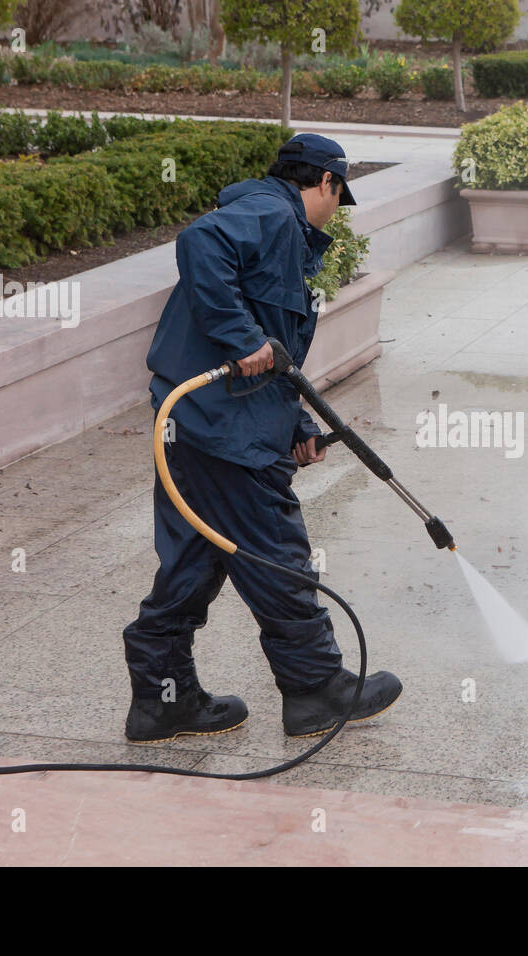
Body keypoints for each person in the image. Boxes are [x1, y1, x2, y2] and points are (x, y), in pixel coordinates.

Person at [121, 133, 402, 743]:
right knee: (275, 551)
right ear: (325, 182)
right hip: (223, 430)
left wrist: (298, 425)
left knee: (194, 559)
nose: (336, 209)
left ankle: (162, 701)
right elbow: (200, 242)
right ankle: (315, 689)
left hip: (198, 423)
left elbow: (274, 347)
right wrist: (241, 338)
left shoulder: (278, 225)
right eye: (338, 195)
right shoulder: (273, 212)